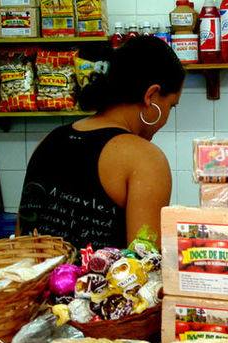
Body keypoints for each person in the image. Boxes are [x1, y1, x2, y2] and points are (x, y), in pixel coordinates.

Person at [17, 36, 185, 252]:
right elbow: (145, 261)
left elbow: (21, 241)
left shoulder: (46, 141)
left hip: (32, 275)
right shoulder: (145, 159)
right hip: (105, 277)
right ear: (151, 96)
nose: (167, 117)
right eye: (171, 105)